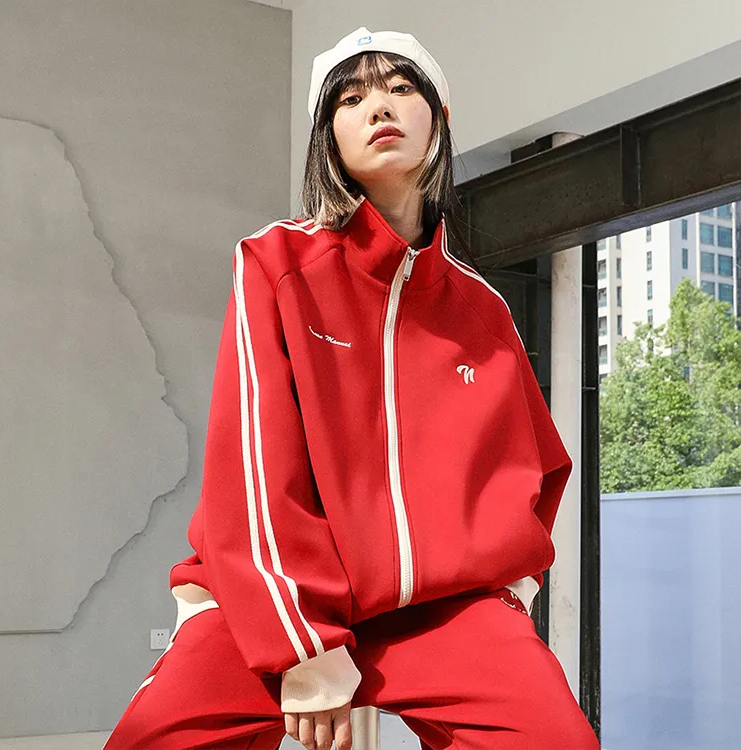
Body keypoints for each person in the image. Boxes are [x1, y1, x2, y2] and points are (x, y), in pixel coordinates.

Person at [105, 26, 601, 750]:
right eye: (352, 98)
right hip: (269, 599)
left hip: (443, 608)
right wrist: (302, 647)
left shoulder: (482, 311)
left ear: (439, 119)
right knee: (153, 740)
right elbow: (254, 471)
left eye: (401, 89)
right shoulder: (275, 263)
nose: (379, 107)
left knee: (556, 739)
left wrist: (508, 595)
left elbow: (540, 466)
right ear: (327, 135)